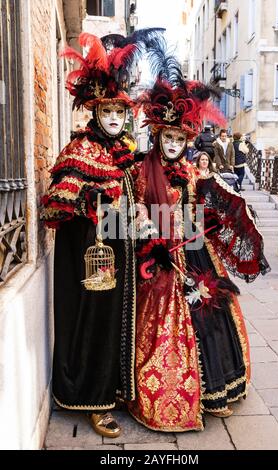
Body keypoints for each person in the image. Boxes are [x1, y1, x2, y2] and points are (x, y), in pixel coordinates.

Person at [128, 40, 269, 431]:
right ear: (157, 137)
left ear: (187, 141)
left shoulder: (193, 173)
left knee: (211, 313)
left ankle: (218, 391)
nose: (172, 145)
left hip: (196, 250)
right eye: (167, 139)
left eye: (179, 140)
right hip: (160, 257)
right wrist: (146, 229)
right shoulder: (142, 172)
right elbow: (130, 211)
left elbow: (208, 204)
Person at [40, 30, 161, 438]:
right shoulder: (80, 152)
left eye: (119, 113)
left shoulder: (124, 153)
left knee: (115, 324)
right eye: (106, 112)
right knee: (92, 324)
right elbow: (58, 205)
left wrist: (141, 217)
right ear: (95, 113)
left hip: (120, 259)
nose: (113, 119)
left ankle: (112, 389)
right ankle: (91, 398)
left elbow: (133, 202)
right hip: (91, 264)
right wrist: (90, 202)